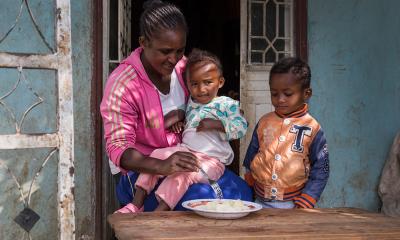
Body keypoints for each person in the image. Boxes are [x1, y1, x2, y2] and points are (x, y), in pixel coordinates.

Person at [101, 0, 252, 212]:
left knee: (243, 193)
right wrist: (162, 165)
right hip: (142, 171)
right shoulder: (123, 84)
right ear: (143, 42)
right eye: (165, 51)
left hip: (186, 159)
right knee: (203, 203)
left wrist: (225, 117)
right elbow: (120, 150)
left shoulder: (184, 69)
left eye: (180, 50)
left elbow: (209, 101)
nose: (173, 59)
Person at [116, 49, 248, 213]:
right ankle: (137, 203)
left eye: (208, 82)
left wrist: (217, 124)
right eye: (195, 84)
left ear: (220, 82)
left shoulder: (226, 104)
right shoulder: (191, 102)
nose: (201, 89)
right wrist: (179, 124)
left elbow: (242, 126)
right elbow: (189, 122)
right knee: (157, 155)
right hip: (186, 151)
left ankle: (160, 211)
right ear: (188, 85)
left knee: (182, 175)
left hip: (212, 160)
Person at [243, 57, 329, 209]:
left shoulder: (313, 128)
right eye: (274, 94)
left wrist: (308, 198)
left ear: (306, 93)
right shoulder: (264, 122)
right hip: (259, 201)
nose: (280, 99)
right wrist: (248, 186)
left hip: (294, 203)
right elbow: (252, 154)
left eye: (288, 94)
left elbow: (321, 167)